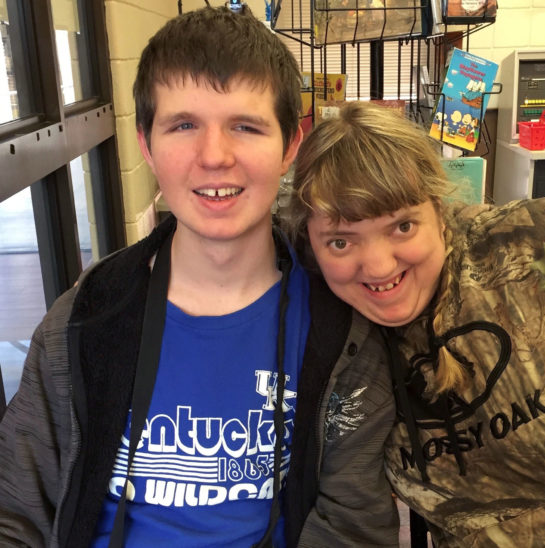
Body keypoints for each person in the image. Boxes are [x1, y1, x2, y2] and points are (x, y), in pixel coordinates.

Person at [0, 7, 399, 547]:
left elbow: (353, 525)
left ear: (290, 146)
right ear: (146, 145)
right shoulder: (84, 319)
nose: (215, 156)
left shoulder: (339, 332)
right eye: (184, 125)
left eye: (245, 125)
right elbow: (16, 510)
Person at [288, 100, 545, 546]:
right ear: (310, 244)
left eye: (402, 227)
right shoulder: (332, 340)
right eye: (341, 241)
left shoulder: (539, 240)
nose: (378, 265)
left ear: (438, 211)